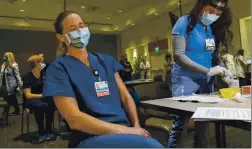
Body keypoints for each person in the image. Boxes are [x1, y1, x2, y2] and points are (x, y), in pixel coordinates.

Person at [42, 11, 164, 148]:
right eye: (73, 29)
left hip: (125, 130)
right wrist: (129, 131)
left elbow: (126, 97)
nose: (80, 31)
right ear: (61, 37)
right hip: (90, 136)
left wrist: (136, 125)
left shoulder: (105, 60)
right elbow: (74, 119)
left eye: (81, 26)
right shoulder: (58, 69)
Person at [168, 0, 235, 148]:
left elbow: (212, 55)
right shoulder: (185, 22)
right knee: (181, 125)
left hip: (206, 82)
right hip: (185, 80)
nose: (215, 14)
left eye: (219, 12)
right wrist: (208, 70)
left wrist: (223, 69)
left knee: (204, 126)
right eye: (212, 9)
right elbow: (178, 55)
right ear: (202, 3)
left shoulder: (210, 30)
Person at [23, 55, 56, 143]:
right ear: (35, 64)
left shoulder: (43, 74)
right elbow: (28, 95)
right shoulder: (28, 76)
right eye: (40, 62)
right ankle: (41, 133)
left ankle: (48, 131)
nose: (43, 64)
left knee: (51, 104)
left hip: (42, 97)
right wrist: (42, 95)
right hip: (31, 100)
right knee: (40, 106)